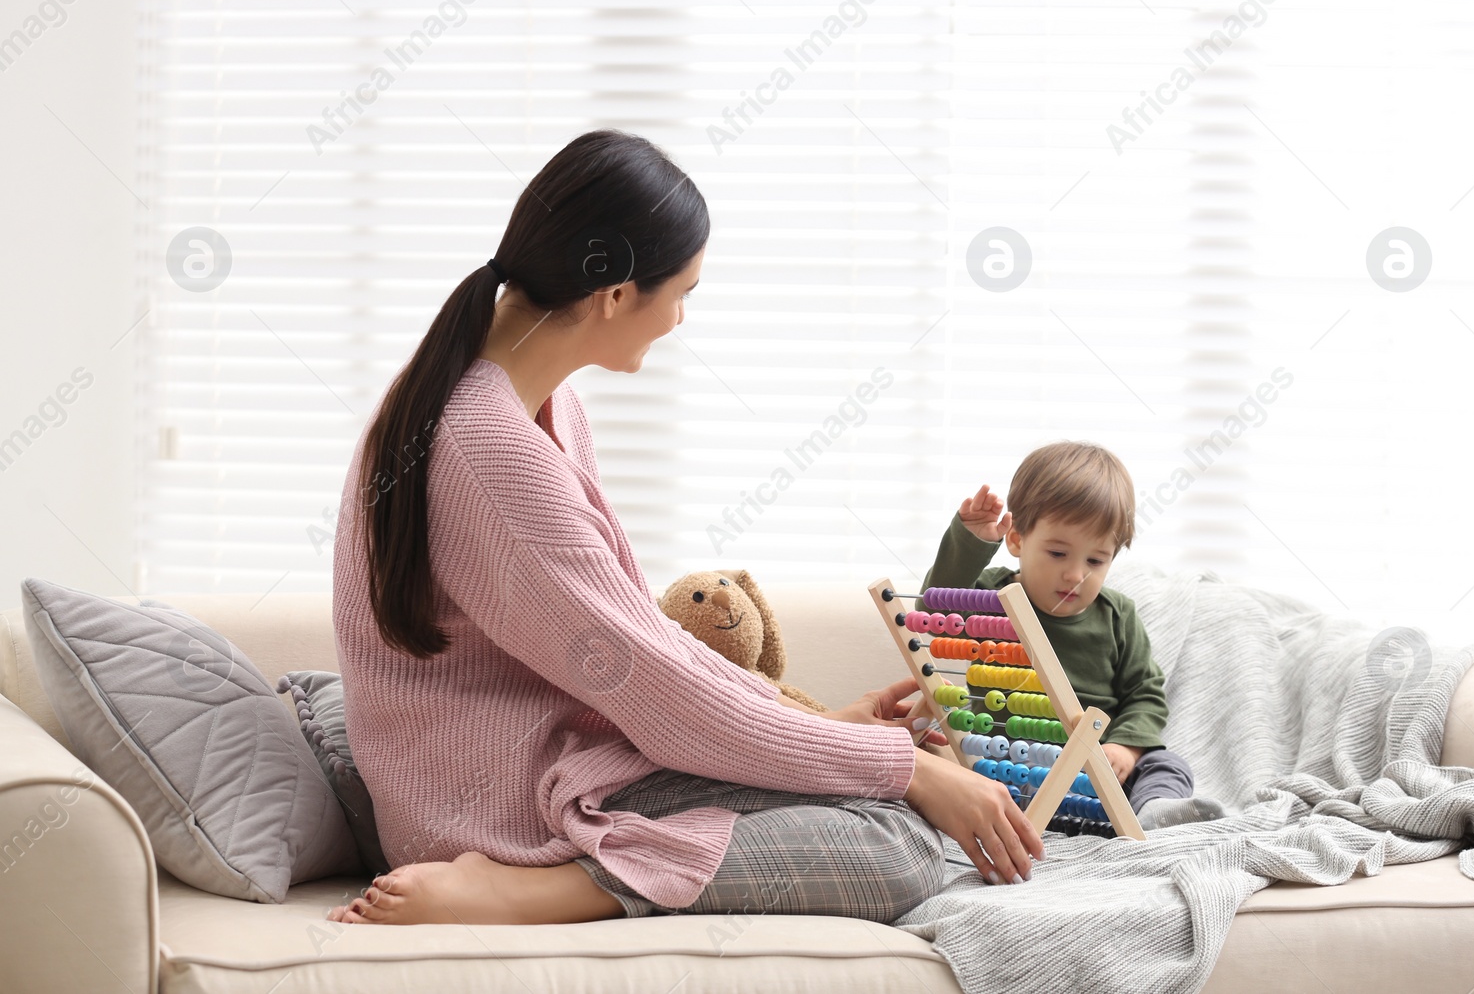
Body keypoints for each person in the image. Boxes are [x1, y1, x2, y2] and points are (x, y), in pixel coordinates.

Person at [326, 129, 1043, 926]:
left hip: (550, 763)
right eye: (684, 292)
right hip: (503, 805)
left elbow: (638, 649)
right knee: (897, 840)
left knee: (891, 799)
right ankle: (526, 891)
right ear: (616, 294)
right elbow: (655, 684)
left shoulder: (506, 397)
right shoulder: (491, 451)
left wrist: (817, 726)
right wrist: (903, 767)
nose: (679, 319)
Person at [917, 443, 1226, 830]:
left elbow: (1145, 693)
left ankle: (1155, 812)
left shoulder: (1118, 616)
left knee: (1166, 764)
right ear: (1016, 540)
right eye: (1058, 553)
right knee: (956, 762)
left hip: (1098, 768)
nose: (1076, 574)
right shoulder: (991, 600)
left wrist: (1126, 747)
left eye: (1095, 560)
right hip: (1015, 766)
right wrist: (971, 542)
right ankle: (1054, 819)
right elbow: (934, 611)